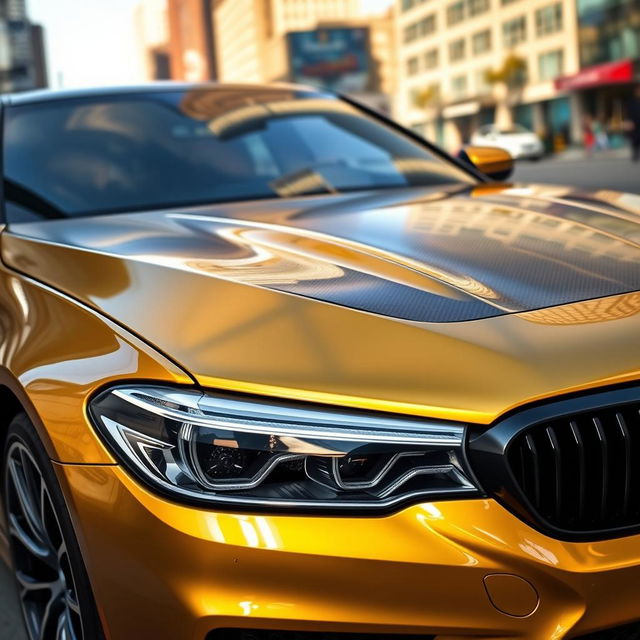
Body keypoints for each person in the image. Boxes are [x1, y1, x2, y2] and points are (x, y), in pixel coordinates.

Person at [627, 85, 640, 162]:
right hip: (634, 124)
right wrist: (629, 122)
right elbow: (629, 113)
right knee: (635, 141)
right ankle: (635, 155)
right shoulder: (632, 102)